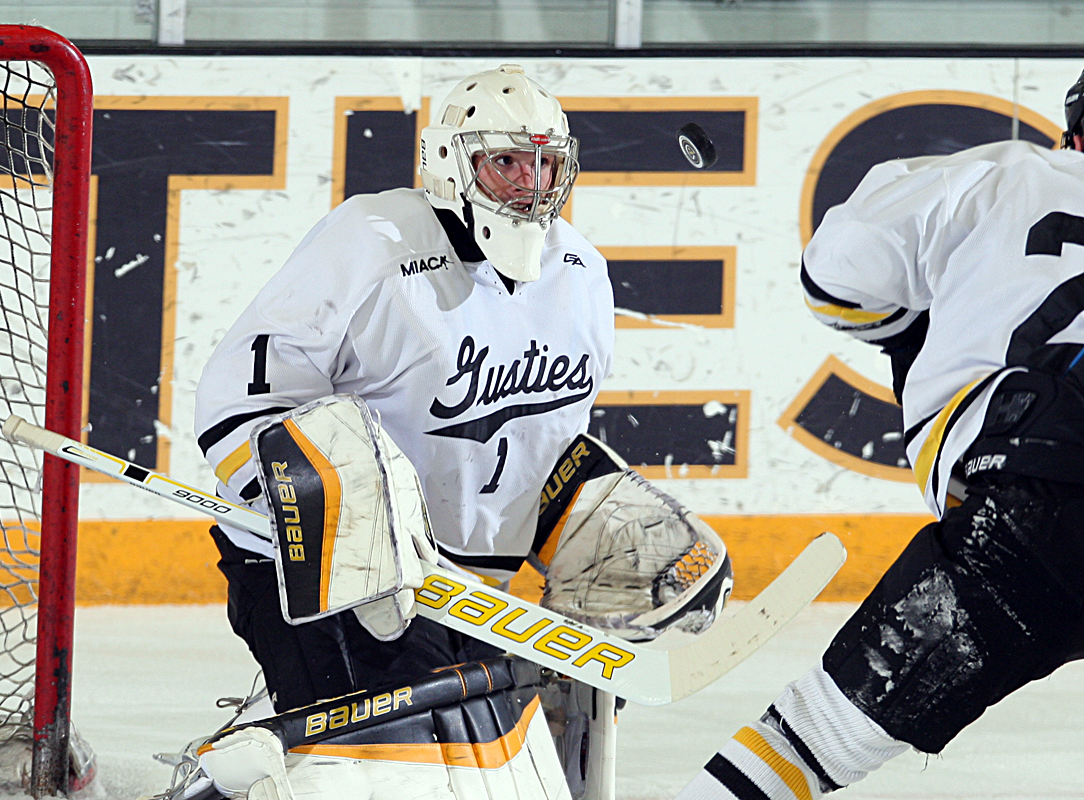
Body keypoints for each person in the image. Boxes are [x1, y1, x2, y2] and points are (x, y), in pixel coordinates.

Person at [192, 63, 730, 796]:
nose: (529, 184)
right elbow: (237, 404)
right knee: (409, 773)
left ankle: (273, 742)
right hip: (318, 581)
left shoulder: (580, 274)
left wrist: (582, 518)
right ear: (450, 160)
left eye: (545, 163)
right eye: (505, 161)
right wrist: (340, 529)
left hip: (464, 589)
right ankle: (229, 780)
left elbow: (541, 446)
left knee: (497, 759)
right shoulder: (371, 242)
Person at [674, 72, 1084, 800]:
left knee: (814, 738)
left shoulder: (1008, 172)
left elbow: (836, 277)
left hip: (1042, 502)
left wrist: (924, 332)